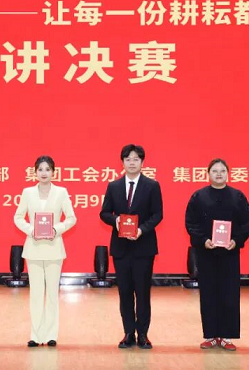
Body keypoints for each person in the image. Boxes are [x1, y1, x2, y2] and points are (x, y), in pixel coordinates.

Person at [185, 158, 249, 351]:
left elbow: (246, 222)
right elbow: (191, 223)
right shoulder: (199, 196)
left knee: (229, 293)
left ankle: (226, 336)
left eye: (222, 171)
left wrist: (236, 240)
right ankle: (210, 335)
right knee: (208, 293)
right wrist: (203, 240)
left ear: (228, 174)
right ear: (208, 174)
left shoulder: (237, 196)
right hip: (206, 252)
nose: (219, 174)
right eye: (215, 171)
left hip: (230, 253)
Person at [99, 144, 163, 350]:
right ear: (122, 162)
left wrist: (141, 230)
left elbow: (158, 214)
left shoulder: (152, 186)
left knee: (142, 292)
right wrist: (116, 221)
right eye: (128, 159)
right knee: (125, 292)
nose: (132, 162)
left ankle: (143, 334)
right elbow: (104, 213)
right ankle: (128, 333)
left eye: (136, 159)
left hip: (144, 247)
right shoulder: (114, 186)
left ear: (142, 162)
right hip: (121, 248)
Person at [14, 155, 77, 347]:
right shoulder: (27, 192)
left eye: (47, 169)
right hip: (33, 249)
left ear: (53, 172)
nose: (44, 173)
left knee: (51, 293)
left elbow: (71, 218)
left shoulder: (61, 192)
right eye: (40, 169)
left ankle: (51, 335)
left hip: (54, 249)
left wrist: (56, 230)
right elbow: (18, 217)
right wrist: (31, 230)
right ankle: (35, 335)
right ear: (35, 172)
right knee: (35, 293)